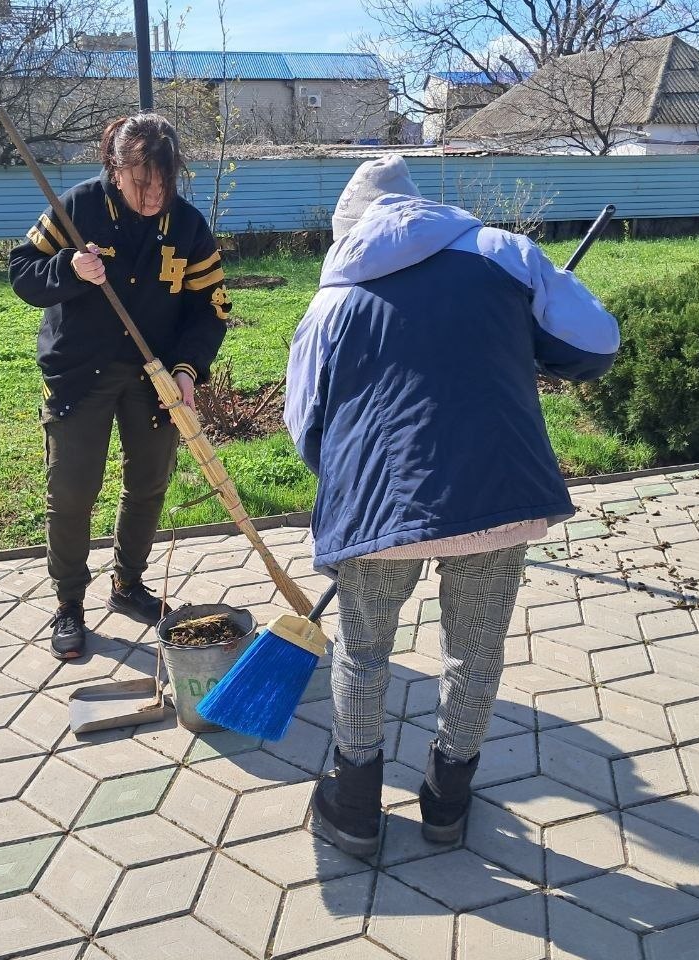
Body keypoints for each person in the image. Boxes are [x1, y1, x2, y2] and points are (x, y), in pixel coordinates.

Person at [285, 156, 619, 856]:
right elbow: (594, 343)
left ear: (350, 229)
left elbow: (306, 424)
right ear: (422, 206)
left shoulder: (331, 301)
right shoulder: (504, 254)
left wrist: (352, 483)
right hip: (497, 492)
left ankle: (353, 806)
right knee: (475, 651)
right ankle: (447, 801)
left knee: (365, 652)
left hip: (379, 502)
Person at [10, 114, 230, 659]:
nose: (153, 194)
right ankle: (68, 604)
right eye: (140, 181)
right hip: (79, 374)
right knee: (71, 493)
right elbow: (21, 272)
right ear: (115, 165)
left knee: (150, 483)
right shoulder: (78, 209)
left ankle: (127, 584)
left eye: (164, 182)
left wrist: (186, 370)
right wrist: (68, 269)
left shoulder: (188, 227)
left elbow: (213, 308)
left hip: (154, 377)